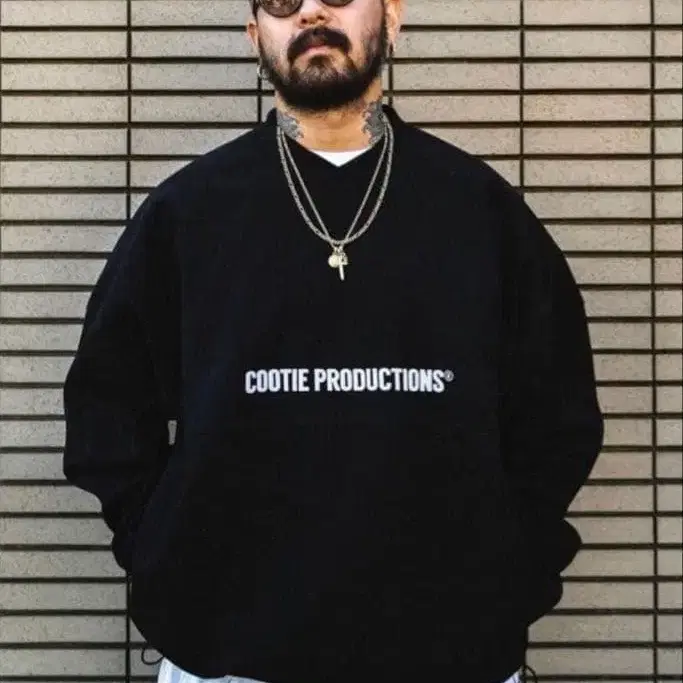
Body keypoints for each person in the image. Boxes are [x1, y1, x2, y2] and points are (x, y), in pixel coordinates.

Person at [61, 0, 605, 682]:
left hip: (451, 651)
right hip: (230, 655)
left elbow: (557, 414)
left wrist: (508, 565)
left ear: (393, 18)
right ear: (255, 35)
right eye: (281, 3)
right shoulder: (189, 212)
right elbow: (107, 408)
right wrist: (165, 551)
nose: (311, 10)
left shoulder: (478, 209)